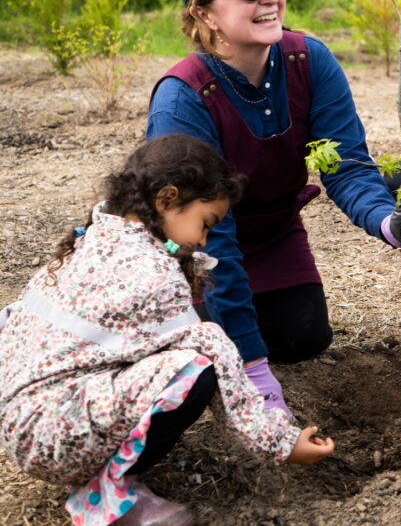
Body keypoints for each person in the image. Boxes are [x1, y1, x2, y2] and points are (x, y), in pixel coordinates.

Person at [147, 0, 401, 416]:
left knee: (303, 336)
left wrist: (385, 218)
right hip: (196, 252)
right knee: (212, 360)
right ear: (203, 11)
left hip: (273, 234)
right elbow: (211, 241)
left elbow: (348, 166)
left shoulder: (308, 60)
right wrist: (252, 368)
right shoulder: (182, 98)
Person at [0, 135, 334, 526]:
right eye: (205, 224)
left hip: (22, 425)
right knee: (197, 367)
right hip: (55, 437)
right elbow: (215, 351)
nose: (203, 241)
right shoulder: (152, 274)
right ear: (167, 199)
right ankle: (107, 487)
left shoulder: (94, 237)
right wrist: (283, 442)